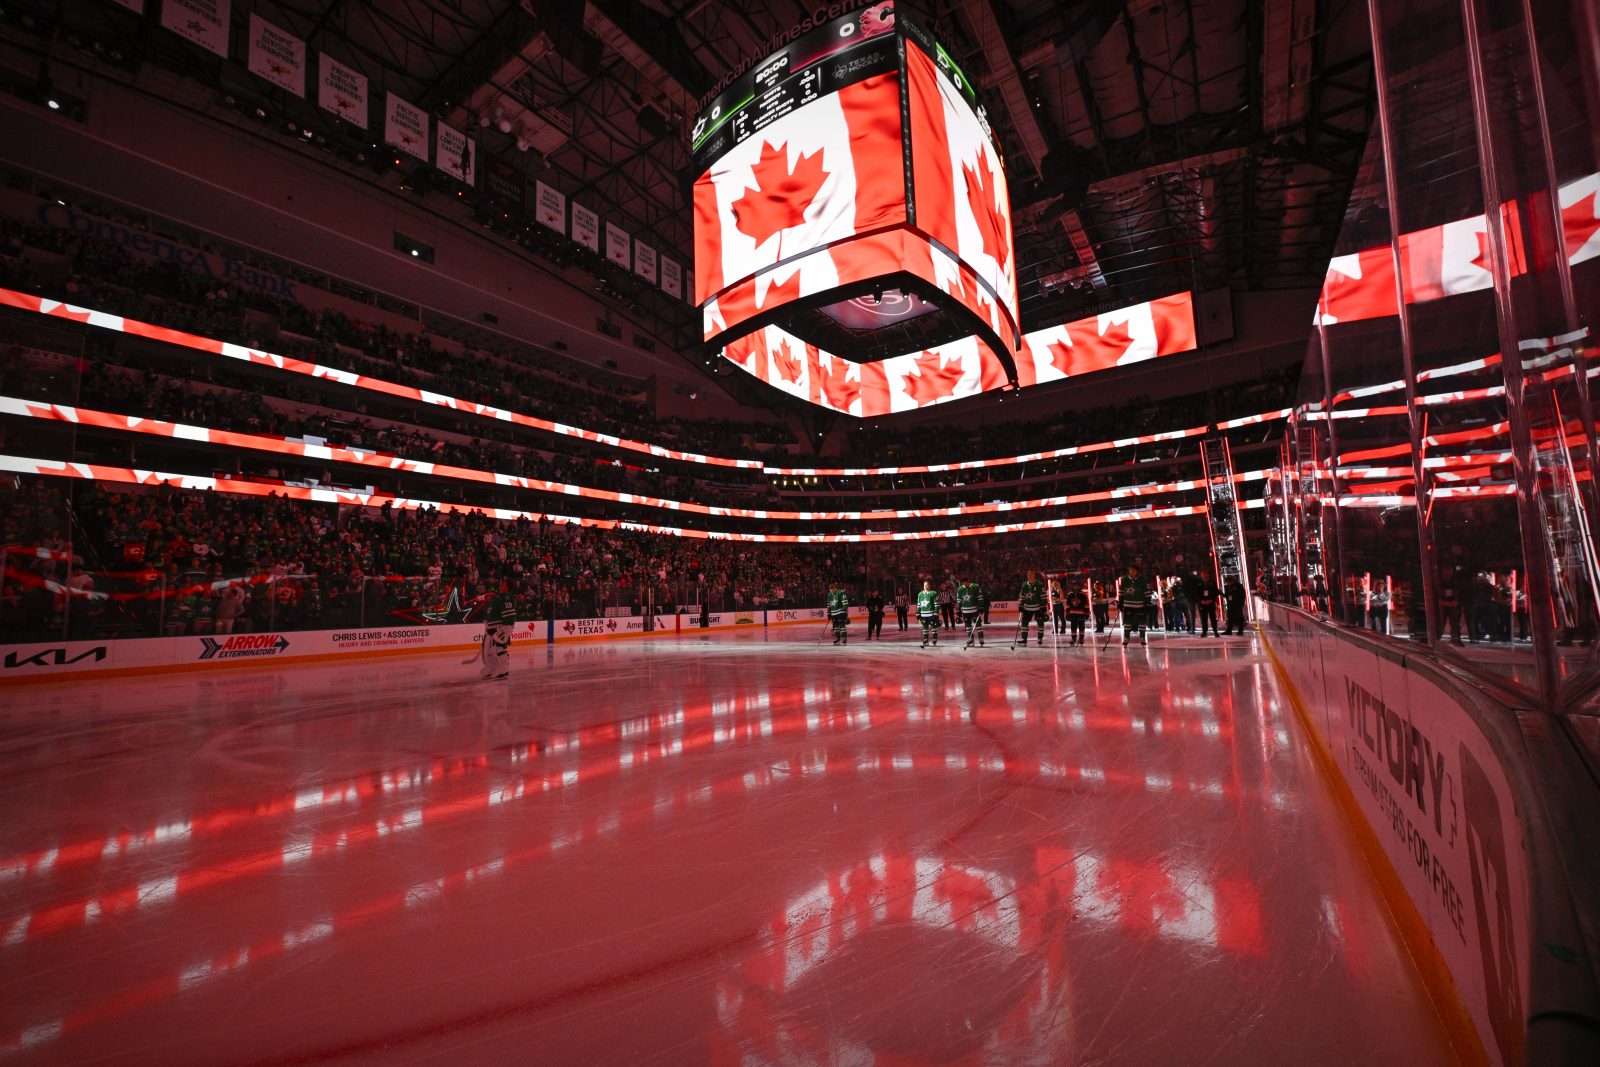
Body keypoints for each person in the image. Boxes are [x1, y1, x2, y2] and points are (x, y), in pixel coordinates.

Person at [480, 575, 515, 680]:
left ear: (508, 587)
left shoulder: (507, 597)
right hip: (491, 628)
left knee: (498, 648)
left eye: (503, 584)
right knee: (486, 650)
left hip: (499, 628)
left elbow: (509, 616)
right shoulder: (497, 597)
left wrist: (507, 629)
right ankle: (491, 668)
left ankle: (502, 669)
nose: (500, 585)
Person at [1119, 562, 1150, 646]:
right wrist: (1120, 602)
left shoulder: (1143, 580)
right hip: (1128, 605)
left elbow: (1147, 593)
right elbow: (1121, 592)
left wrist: (1148, 603)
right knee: (1127, 622)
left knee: (1142, 622)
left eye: (1133, 570)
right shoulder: (1124, 579)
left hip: (1140, 605)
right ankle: (1126, 638)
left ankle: (1142, 637)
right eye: (1130, 570)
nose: (1131, 571)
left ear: (1137, 571)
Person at [1018, 570, 1048, 646]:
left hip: (1038, 607)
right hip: (1027, 607)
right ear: (1027, 575)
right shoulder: (1024, 585)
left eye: (1032, 574)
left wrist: (1043, 606)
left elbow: (1043, 596)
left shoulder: (1039, 584)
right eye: (1029, 574)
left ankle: (1040, 639)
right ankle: (1024, 640)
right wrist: (1021, 605)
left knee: (1040, 623)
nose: (1030, 576)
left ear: (1034, 575)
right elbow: (1022, 596)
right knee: (1024, 623)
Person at [957, 576, 985, 648]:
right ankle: (971, 640)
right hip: (965, 611)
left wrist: (981, 606)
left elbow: (980, 597)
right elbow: (959, 600)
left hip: (974, 610)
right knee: (968, 626)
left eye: (966, 583)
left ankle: (981, 639)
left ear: (968, 581)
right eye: (963, 583)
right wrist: (958, 609)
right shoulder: (960, 589)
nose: (965, 584)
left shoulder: (975, 586)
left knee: (978, 625)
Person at [916, 579, 941, 647]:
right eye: (924, 585)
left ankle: (934, 639)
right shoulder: (920, 594)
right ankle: (925, 640)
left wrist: (936, 613)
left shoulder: (933, 593)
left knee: (934, 627)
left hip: (931, 614)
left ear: (930, 586)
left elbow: (937, 604)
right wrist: (917, 613)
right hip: (923, 615)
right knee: (925, 628)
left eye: (927, 585)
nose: (926, 586)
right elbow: (919, 604)